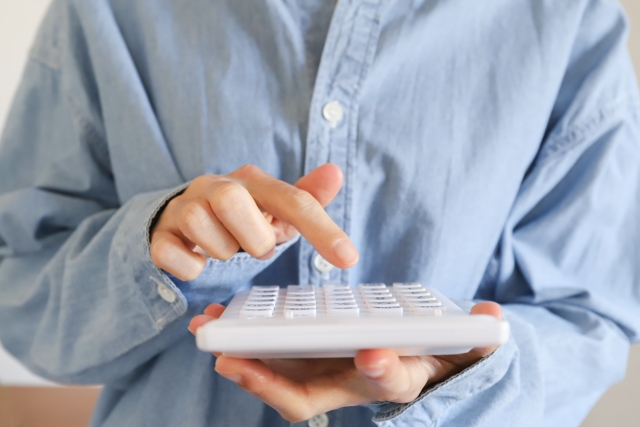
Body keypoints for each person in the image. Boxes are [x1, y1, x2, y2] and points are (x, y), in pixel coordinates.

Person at [0, 0, 638, 426]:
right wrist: (152, 251)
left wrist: (466, 378)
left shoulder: (569, 17)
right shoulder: (107, 10)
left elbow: (592, 315)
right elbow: (19, 290)